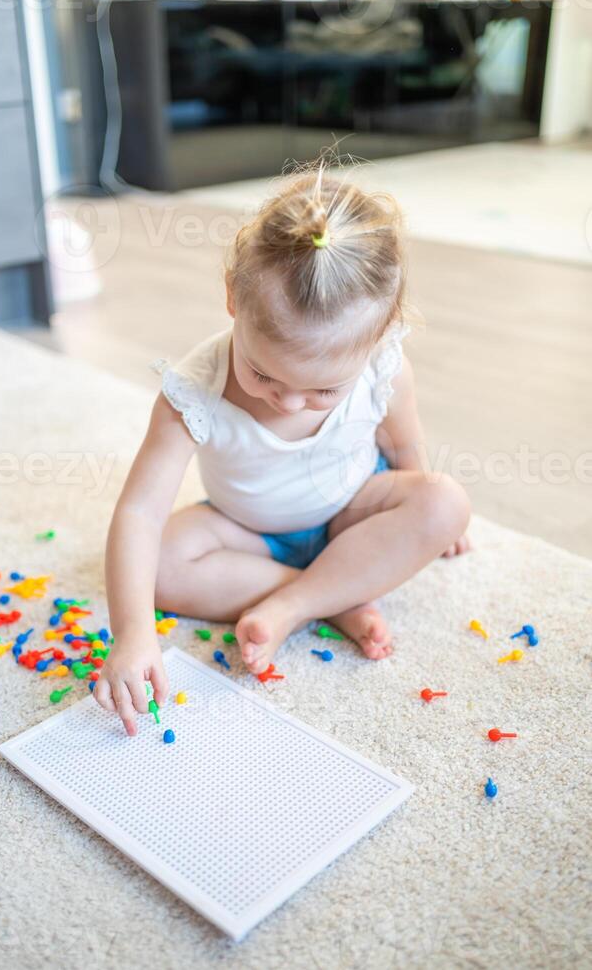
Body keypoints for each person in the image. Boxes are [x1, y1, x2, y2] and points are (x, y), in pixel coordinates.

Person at [95, 164, 471, 736]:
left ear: (380, 335)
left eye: (325, 390)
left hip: (352, 510)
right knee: (163, 567)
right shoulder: (190, 393)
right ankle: (336, 593)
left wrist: (422, 511)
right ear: (231, 299)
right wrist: (134, 633)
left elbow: (404, 445)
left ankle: (294, 605)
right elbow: (139, 513)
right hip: (247, 530)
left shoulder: (385, 368)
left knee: (444, 502)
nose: (292, 404)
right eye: (263, 373)